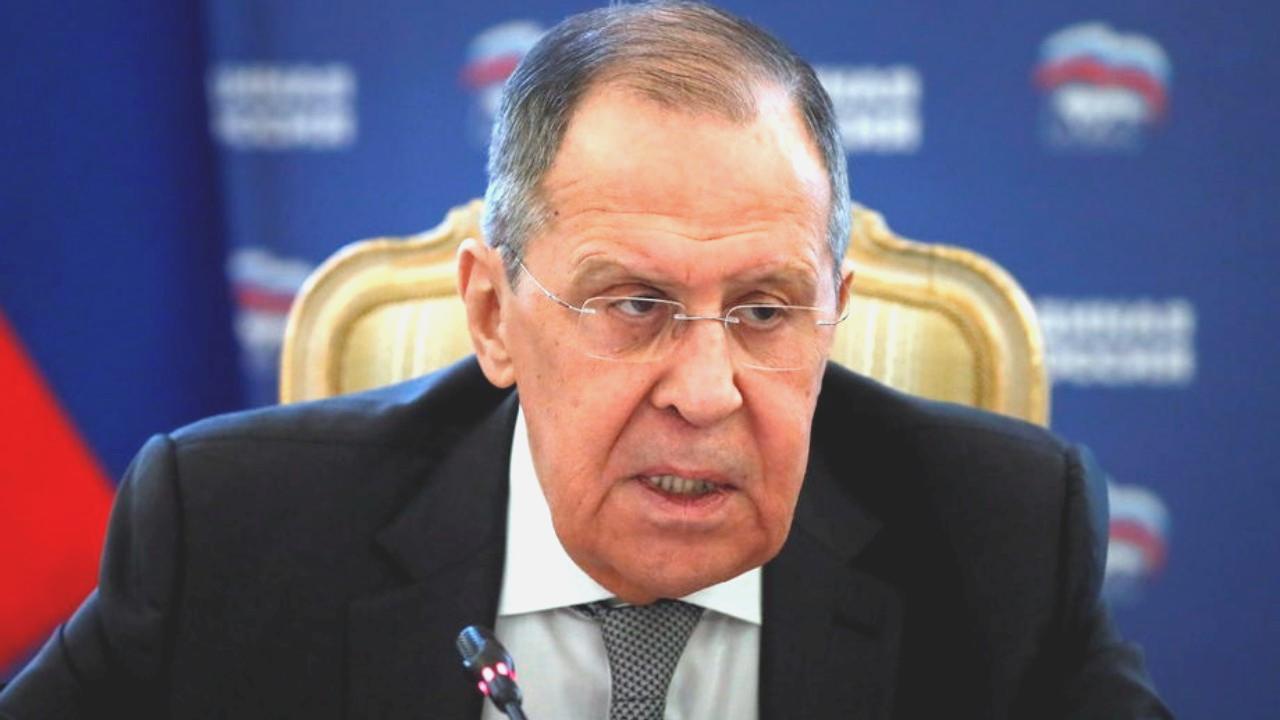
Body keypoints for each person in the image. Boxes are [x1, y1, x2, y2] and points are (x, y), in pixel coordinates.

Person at [0, 2, 1171, 718]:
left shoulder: (999, 538)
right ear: (492, 315)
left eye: (765, 311)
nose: (705, 393)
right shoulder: (235, 532)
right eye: (634, 305)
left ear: (835, 314)